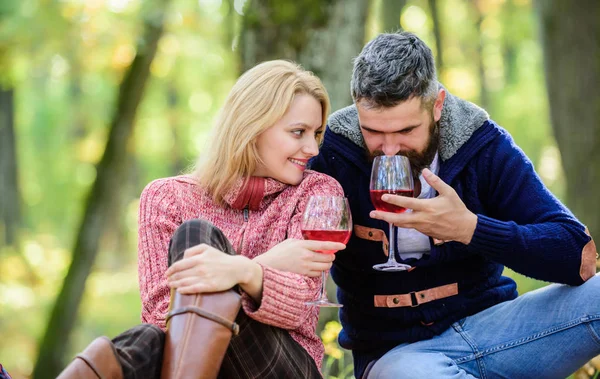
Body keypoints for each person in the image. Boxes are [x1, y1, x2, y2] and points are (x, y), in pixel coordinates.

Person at [310, 31, 599, 379]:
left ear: (438, 105)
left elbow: (578, 256)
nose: (388, 150)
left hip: (499, 331)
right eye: (373, 132)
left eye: (405, 130)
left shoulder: (482, 146)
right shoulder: (333, 153)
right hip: (397, 356)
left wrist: (468, 229)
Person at [58, 60, 346, 379]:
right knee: (153, 328)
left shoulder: (317, 193)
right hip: (192, 365)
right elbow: (161, 317)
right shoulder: (166, 198)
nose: (311, 148)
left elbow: (299, 306)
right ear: (251, 126)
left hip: (281, 365)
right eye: (298, 132)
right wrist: (256, 269)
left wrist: (238, 269)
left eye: (316, 133)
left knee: (141, 341)